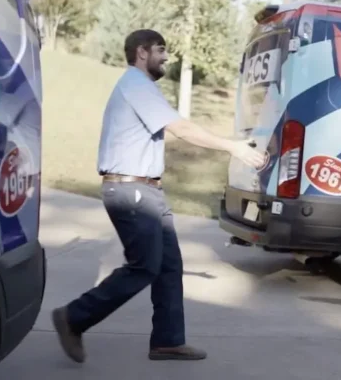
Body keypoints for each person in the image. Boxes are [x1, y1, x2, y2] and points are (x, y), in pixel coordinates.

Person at [51, 29, 265, 363]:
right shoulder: (136, 84)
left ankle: (167, 340)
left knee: (168, 266)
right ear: (141, 52)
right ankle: (73, 317)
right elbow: (181, 128)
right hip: (130, 190)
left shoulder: (141, 87)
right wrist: (232, 147)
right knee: (144, 267)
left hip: (146, 190)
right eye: (161, 50)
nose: (166, 57)